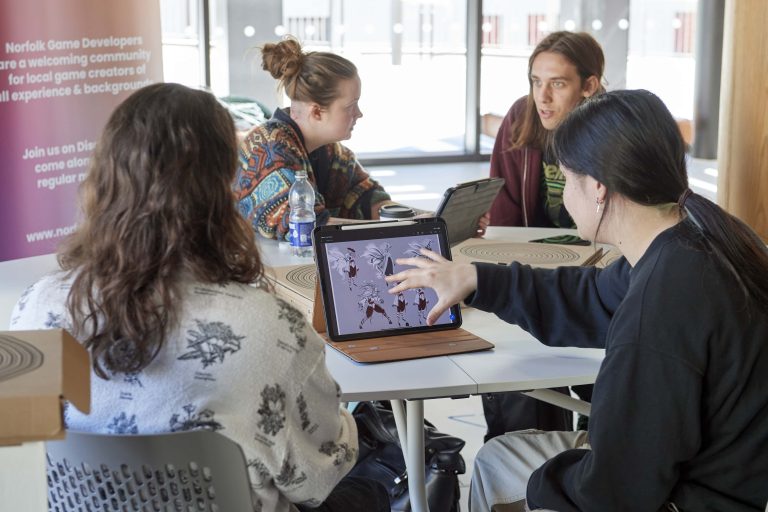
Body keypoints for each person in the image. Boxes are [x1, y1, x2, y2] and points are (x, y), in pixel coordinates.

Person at [9, 83, 389, 512]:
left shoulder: (39, 309)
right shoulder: (272, 328)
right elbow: (318, 477)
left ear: (103, 178)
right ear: (223, 188)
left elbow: (18, 455)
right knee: (373, 487)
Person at [386, 90, 768, 511]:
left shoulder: (659, 305)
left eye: (567, 179)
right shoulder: (696, 239)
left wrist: (544, 485)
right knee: (499, 458)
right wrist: (476, 279)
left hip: (683, 497)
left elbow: (616, 489)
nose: (565, 194)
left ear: (599, 188)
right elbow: (593, 295)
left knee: (507, 467)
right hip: (715, 477)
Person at [484, 31, 606, 438]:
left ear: (589, 85)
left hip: (600, 272)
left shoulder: (615, 130)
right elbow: (504, 214)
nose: (543, 97)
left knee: (600, 375)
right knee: (521, 373)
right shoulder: (521, 117)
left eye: (558, 83)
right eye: (536, 81)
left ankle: (594, 434)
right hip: (538, 268)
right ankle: (535, 448)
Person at [235, 37, 397, 241]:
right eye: (351, 106)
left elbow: (368, 198)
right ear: (317, 112)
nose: (359, 113)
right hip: (260, 260)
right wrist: (392, 229)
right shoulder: (269, 150)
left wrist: (418, 219)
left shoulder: (333, 152)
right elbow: (305, 227)